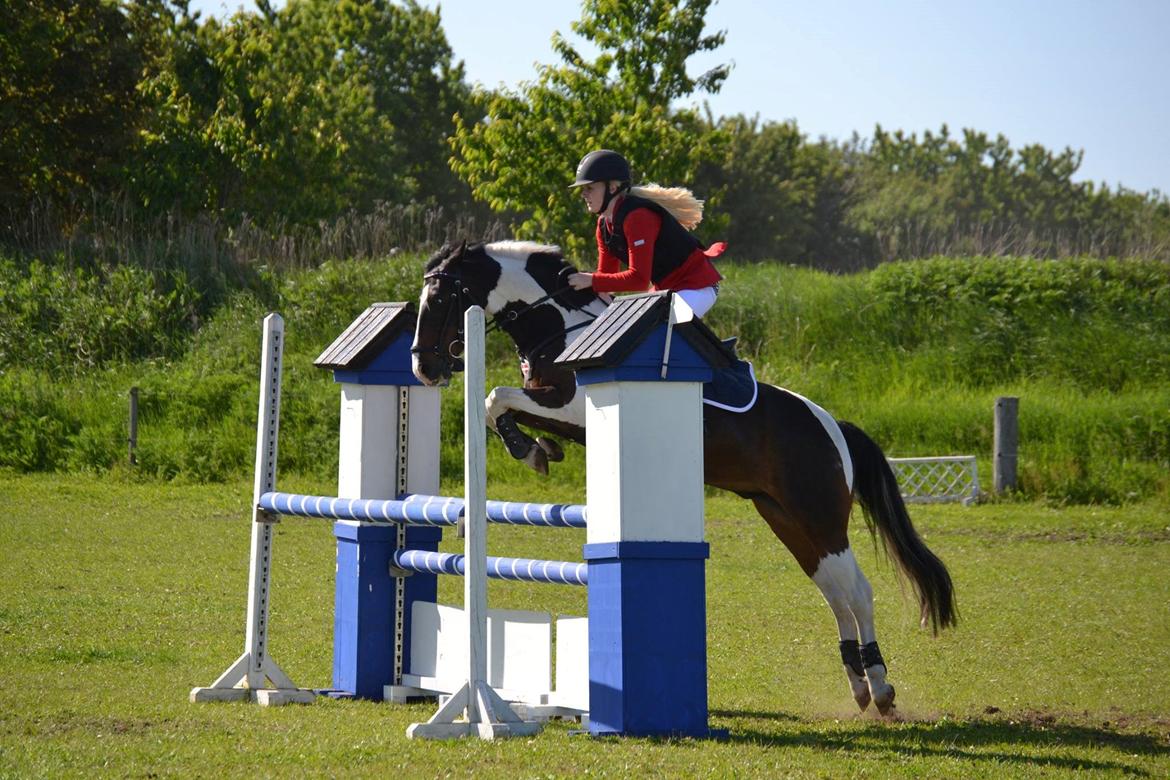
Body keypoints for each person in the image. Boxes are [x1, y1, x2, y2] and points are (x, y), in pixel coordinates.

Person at [566, 149, 727, 317]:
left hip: (697, 286)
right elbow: (607, 280)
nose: (583, 194)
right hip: (667, 289)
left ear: (612, 187)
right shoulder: (604, 226)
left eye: (589, 188)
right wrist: (578, 286)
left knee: (657, 330)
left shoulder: (638, 218)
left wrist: (591, 280)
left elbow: (639, 280)